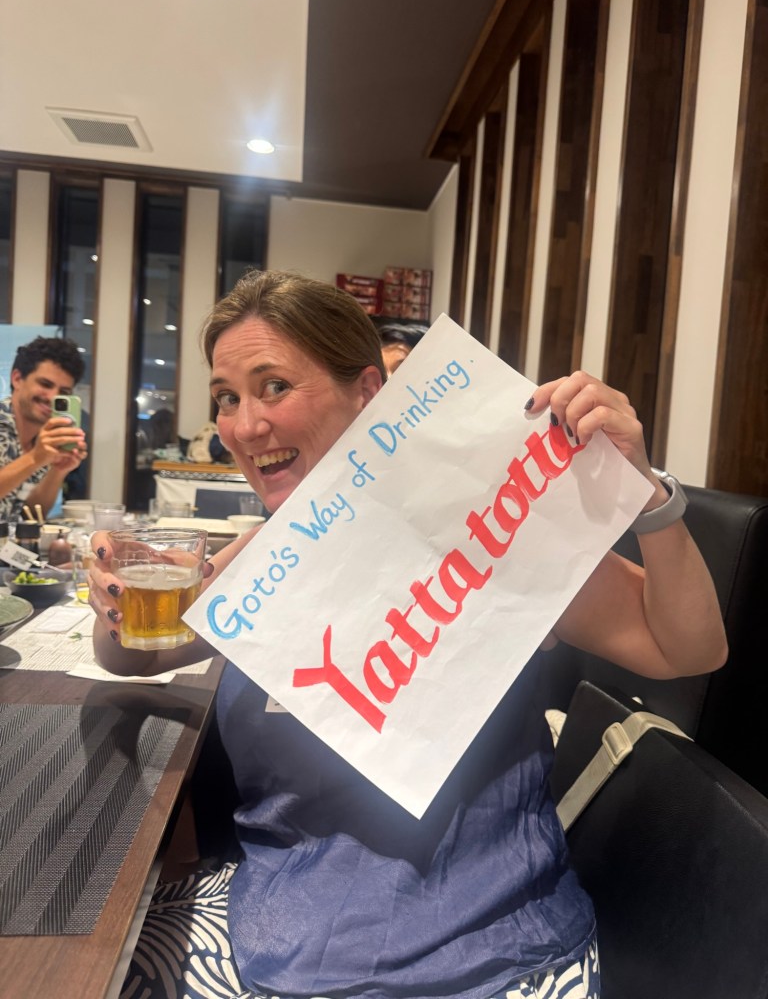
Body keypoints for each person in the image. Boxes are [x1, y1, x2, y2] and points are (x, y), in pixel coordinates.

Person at [88, 270, 727, 999]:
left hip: (491, 950)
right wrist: (114, 599)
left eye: (273, 387)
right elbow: (141, 651)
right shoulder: (270, 558)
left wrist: (652, 498)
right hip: (280, 933)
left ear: (367, 392)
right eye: (227, 398)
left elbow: (689, 649)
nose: (243, 425)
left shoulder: (486, 528)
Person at [0, 335, 88, 522]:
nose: (52, 397)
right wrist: (34, 458)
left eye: (63, 392)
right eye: (45, 384)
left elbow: (29, 515)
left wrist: (58, 471)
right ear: (17, 379)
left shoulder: (45, 440)